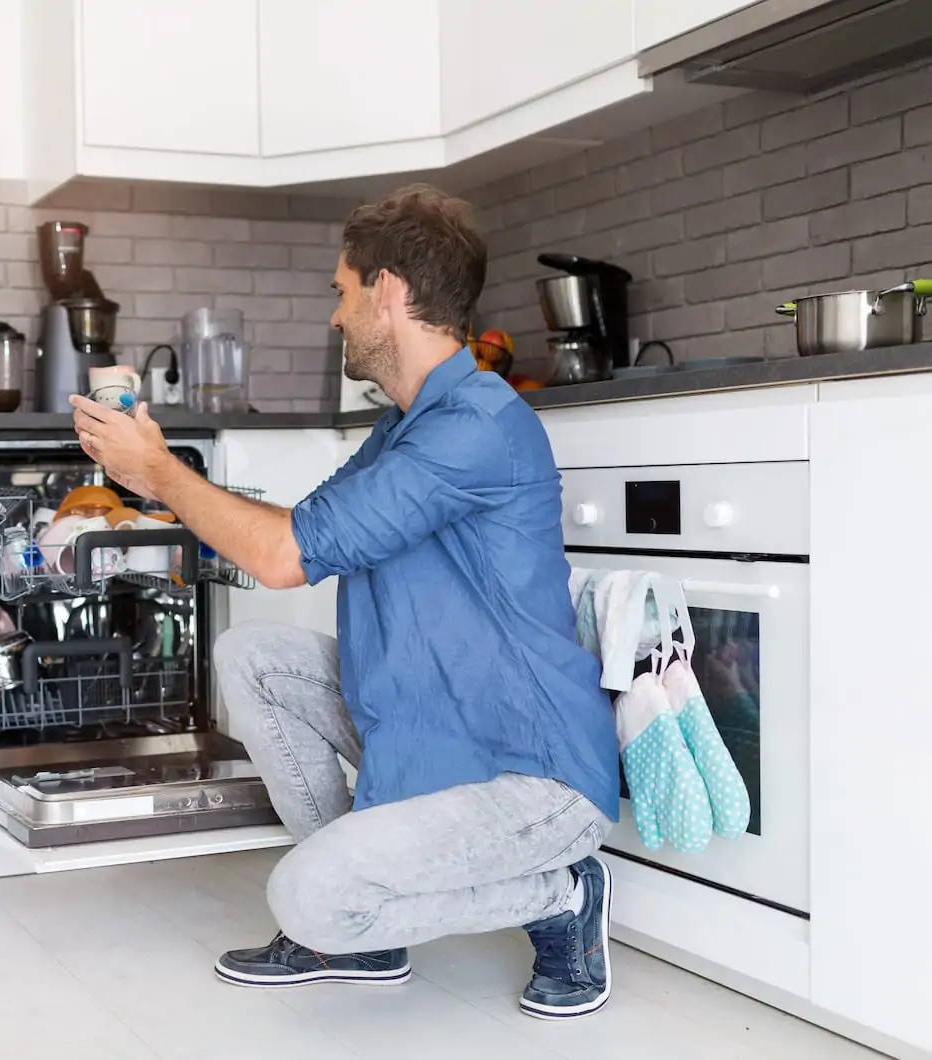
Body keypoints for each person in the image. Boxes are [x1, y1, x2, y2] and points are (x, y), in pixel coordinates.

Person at [69, 184, 621, 1020]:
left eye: (342, 291)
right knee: (252, 656)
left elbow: (287, 557)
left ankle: (558, 895)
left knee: (308, 898)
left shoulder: (473, 428)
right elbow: (296, 530)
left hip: (529, 775)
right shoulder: (401, 427)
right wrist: (152, 483)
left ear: (390, 291)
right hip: (436, 736)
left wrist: (160, 473)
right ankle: (363, 931)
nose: (335, 316)